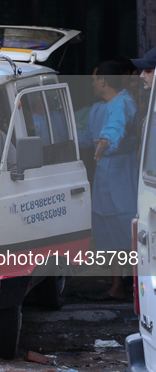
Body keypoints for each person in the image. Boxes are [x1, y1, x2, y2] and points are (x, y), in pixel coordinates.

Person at [77, 61, 138, 301]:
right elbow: (85, 137)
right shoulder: (96, 108)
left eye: (94, 79)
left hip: (123, 176)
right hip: (103, 177)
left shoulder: (124, 103)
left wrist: (106, 140)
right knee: (108, 231)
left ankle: (137, 288)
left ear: (102, 81)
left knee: (128, 231)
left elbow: (115, 127)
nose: (92, 84)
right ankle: (116, 286)